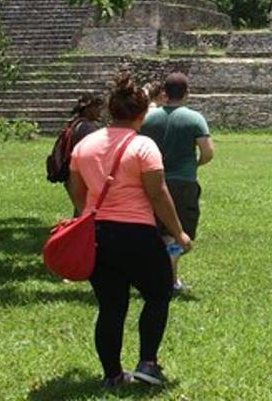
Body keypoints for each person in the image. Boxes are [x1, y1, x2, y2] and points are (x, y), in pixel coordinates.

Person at [67, 73, 192, 389]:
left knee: (111, 306)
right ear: (141, 114)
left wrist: (88, 214)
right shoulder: (143, 146)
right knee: (158, 293)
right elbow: (158, 193)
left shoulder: (85, 145)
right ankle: (148, 363)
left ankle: (112, 375)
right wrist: (178, 233)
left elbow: (77, 190)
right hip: (136, 233)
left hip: (98, 235)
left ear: (112, 110)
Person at [140, 71, 213, 295]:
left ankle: (163, 278)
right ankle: (169, 280)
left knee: (157, 230)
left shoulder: (149, 119)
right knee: (179, 231)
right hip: (183, 182)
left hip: (152, 180)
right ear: (187, 93)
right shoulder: (194, 118)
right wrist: (194, 165)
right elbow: (208, 152)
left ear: (164, 93)